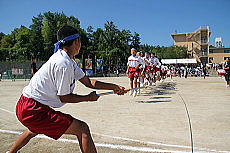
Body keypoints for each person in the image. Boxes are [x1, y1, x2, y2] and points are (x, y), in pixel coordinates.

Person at [7, 25, 125, 153]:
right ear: (76, 42)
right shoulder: (63, 63)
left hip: (26, 105)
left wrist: (114, 87)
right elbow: (64, 97)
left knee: (34, 129)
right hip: (33, 110)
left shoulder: (67, 60)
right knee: (82, 129)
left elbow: (89, 82)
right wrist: (88, 98)